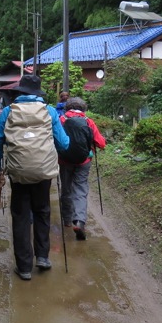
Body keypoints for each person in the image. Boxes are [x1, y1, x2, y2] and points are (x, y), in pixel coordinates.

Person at [0, 74, 70, 280]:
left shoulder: (8, 112)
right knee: (42, 211)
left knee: (21, 215)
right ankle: (42, 257)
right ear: (39, 94)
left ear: (21, 92)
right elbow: (64, 144)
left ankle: (24, 267)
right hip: (43, 173)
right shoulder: (49, 112)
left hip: (18, 172)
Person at [58, 97, 106, 241]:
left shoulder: (62, 119)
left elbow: (55, 137)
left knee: (66, 188)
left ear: (67, 108)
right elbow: (101, 143)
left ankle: (67, 220)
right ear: (83, 108)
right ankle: (79, 221)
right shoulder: (88, 121)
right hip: (83, 161)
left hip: (65, 160)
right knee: (80, 189)